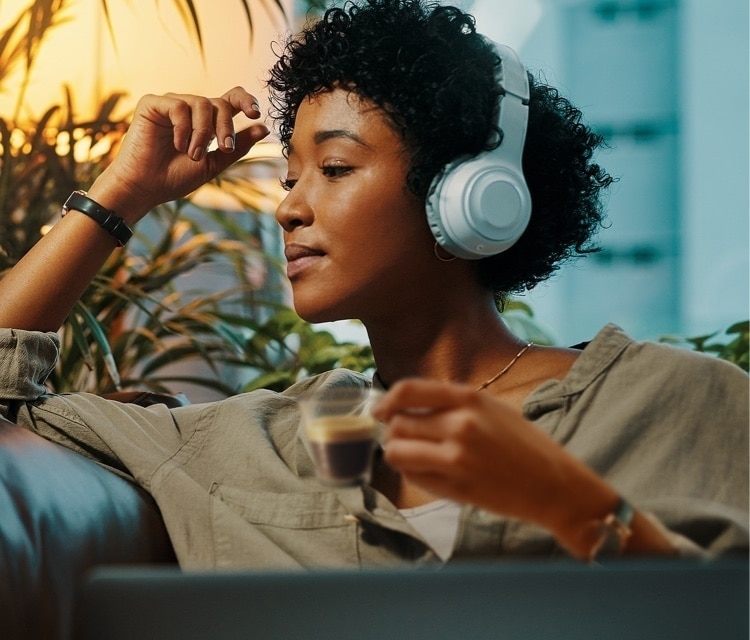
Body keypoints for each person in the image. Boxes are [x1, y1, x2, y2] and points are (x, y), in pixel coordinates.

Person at [0, 0, 746, 568]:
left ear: (471, 194)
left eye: (334, 169)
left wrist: (574, 506)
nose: (289, 207)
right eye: (291, 178)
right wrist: (118, 196)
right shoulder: (244, 441)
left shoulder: (680, 402)